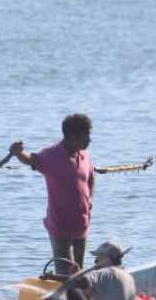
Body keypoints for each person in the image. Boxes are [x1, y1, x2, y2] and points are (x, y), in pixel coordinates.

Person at [10, 113, 96, 275]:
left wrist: (90, 198)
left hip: (82, 226)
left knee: (79, 276)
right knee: (66, 277)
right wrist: (19, 153)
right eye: (86, 136)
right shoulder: (52, 155)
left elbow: (91, 178)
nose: (89, 140)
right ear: (71, 136)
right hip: (61, 229)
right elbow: (32, 159)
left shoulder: (85, 156)